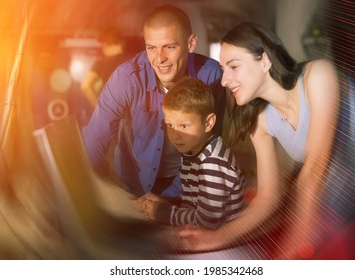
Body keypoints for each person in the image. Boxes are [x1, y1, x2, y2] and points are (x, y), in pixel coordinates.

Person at [173, 21, 355, 259]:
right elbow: (267, 198)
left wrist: (295, 240)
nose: (224, 80)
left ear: (264, 61)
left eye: (233, 66)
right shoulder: (260, 120)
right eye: (223, 69)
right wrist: (215, 238)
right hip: (346, 208)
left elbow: (315, 168)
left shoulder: (318, 75)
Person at [82, 5, 226, 198]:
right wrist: (72, 191)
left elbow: (210, 143)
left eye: (169, 47)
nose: (159, 59)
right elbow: (96, 136)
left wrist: (170, 195)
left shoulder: (212, 76)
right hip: (133, 185)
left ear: (191, 43)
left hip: (187, 184)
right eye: (151, 48)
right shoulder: (127, 79)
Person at [135, 77, 245, 229]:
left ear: (208, 123)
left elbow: (206, 222)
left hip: (223, 238)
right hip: (201, 231)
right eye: (170, 125)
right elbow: (193, 200)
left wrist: (161, 212)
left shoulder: (212, 162)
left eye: (184, 125)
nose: (175, 135)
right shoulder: (192, 149)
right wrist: (165, 201)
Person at [81, 27, 129, 107]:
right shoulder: (135, 60)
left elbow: (85, 85)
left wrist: (100, 110)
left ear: (105, 44)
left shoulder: (102, 63)